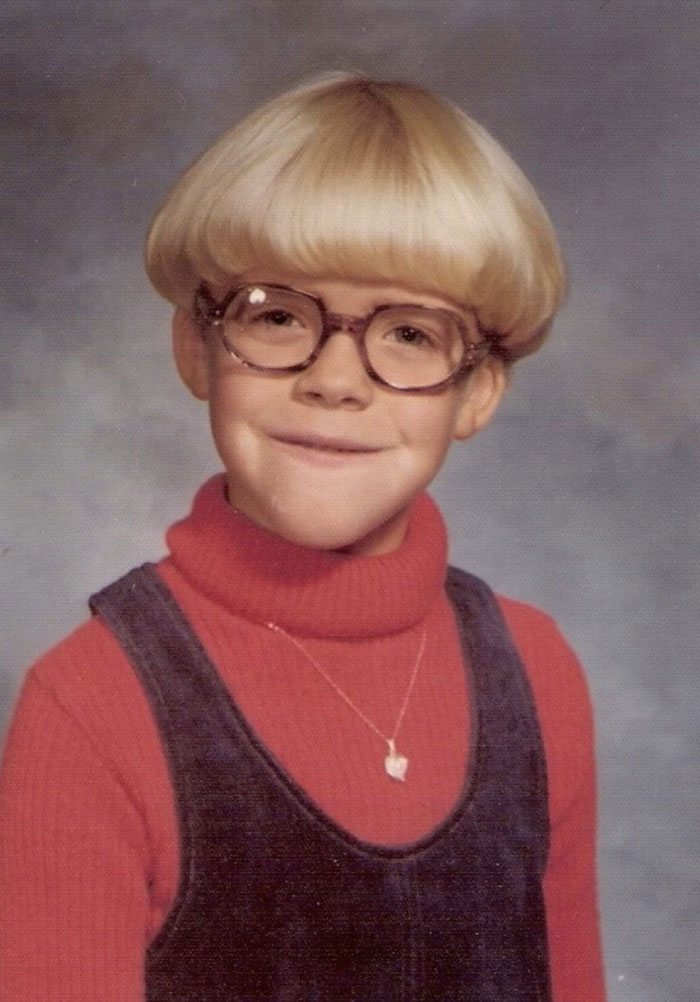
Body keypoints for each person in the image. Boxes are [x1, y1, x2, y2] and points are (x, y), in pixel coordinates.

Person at [0, 72, 606, 1001]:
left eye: (409, 332)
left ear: (477, 390)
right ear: (196, 350)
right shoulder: (93, 703)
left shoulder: (538, 672)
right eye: (278, 315)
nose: (334, 379)